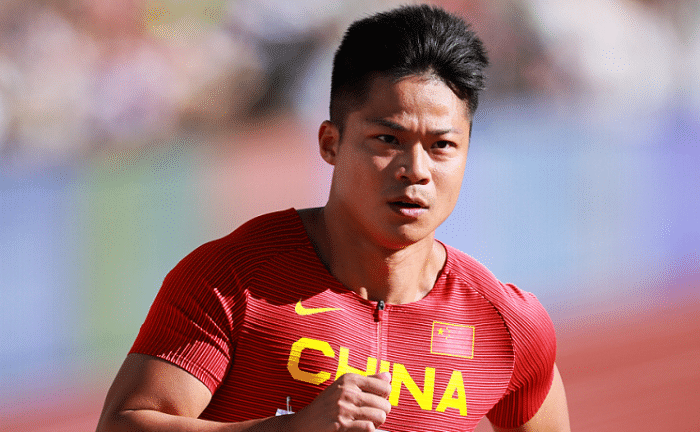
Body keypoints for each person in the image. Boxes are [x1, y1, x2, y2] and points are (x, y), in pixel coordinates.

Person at [96, 4, 570, 432]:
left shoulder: (507, 324)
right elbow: (123, 426)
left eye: (442, 145)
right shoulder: (233, 280)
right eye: (388, 140)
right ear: (330, 143)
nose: (415, 170)